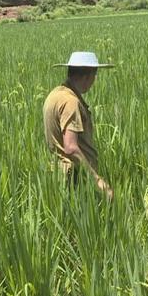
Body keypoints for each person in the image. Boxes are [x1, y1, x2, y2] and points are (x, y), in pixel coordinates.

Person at [43, 51, 114, 201]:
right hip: (74, 178)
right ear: (87, 76)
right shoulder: (70, 102)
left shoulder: (55, 94)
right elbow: (70, 147)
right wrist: (97, 180)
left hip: (58, 173)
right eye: (94, 76)